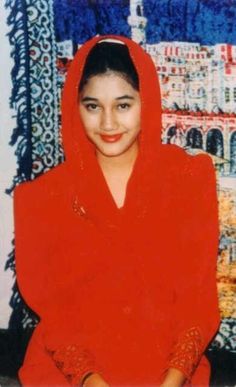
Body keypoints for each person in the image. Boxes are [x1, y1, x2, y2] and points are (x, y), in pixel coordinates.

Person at [14, 35, 220, 386]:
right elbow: (56, 315)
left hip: (170, 370)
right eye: (92, 106)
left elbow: (197, 301)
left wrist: (172, 381)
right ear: (75, 107)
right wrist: (91, 381)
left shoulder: (188, 181)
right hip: (71, 375)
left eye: (123, 105)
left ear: (148, 102)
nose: (108, 124)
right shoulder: (42, 198)